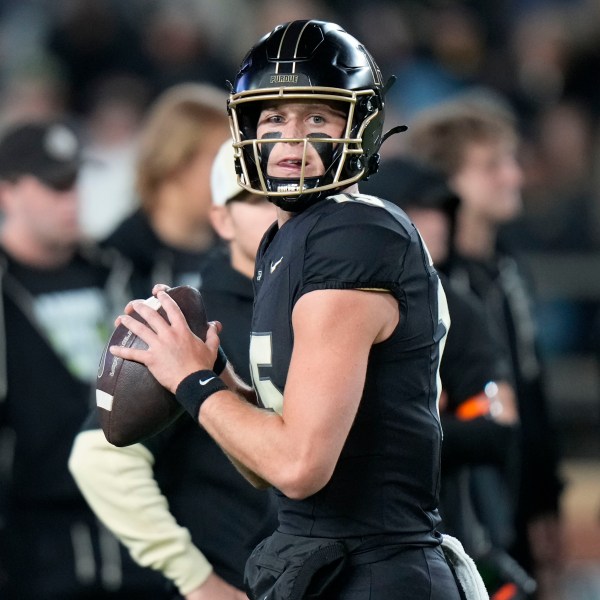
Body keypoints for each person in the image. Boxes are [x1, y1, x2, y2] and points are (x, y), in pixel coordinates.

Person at [109, 20, 477, 599]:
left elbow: (301, 465)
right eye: (275, 117)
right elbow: (268, 466)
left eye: (317, 118)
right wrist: (221, 381)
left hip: (375, 568)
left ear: (358, 127)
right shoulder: (288, 238)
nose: (291, 140)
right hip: (327, 560)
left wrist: (193, 380)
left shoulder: (353, 235)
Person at [69, 140, 278, 600]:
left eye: (293, 194)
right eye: (260, 197)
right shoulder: (190, 324)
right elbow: (99, 457)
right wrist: (199, 583)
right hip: (241, 577)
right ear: (221, 218)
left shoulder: (325, 306)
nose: (282, 209)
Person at [0, 120, 167, 599]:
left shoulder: (115, 271)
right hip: (33, 548)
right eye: (54, 185)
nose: (71, 199)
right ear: (7, 192)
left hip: (134, 533)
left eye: (75, 180)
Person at [406, 95, 564, 599]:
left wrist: (545, 503)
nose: (513, 176)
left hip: (511, 511)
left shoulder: (507, 270)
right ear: (447, 180)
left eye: (511, 161)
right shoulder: (421, 284)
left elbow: (532, 394)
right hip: (451, 525)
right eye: (493, 164)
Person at [362, 157, 536, 598]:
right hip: (357, 543)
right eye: (419, 210)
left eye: (442, 211)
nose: (436, 223)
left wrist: (388, 432)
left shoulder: (460, 309)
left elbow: (498, 428)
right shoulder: (337, 298)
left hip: (452, 541)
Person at [100, 82, 230, 299]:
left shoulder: (241, 250)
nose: (235, 174)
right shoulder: (115, 262)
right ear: (175, 161)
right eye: (220, 158)